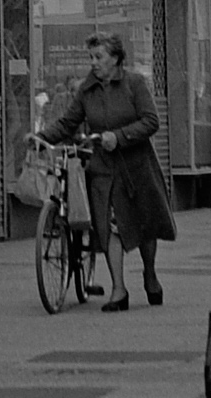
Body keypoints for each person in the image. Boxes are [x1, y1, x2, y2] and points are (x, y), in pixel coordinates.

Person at [34, 32, 179, 309]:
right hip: (104, 169)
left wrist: (119, 136)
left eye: (99, 57)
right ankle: (118, 289)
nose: (93, 62)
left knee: (145, 224)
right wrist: (41, 138)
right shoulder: (87, 90)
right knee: (110, 225)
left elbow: (151, 120)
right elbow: (68, 122)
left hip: (137, 166)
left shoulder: (134, 84)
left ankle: (150, 274)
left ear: (115, 58)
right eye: (91, 57)